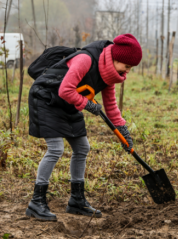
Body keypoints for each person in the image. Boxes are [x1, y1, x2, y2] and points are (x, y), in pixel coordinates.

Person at [26, 34, 142, 221]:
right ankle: (36, 202)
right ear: (115, 58)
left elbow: (111, 106)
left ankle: (77, 201)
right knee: (56, 149)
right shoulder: (85, 59)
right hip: (46, 98)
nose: (127, 72)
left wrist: (123, 130)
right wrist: (87, 105)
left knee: (82, 148)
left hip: (69, 102)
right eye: (127, 67)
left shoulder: (110, 73)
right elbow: (65, 89)